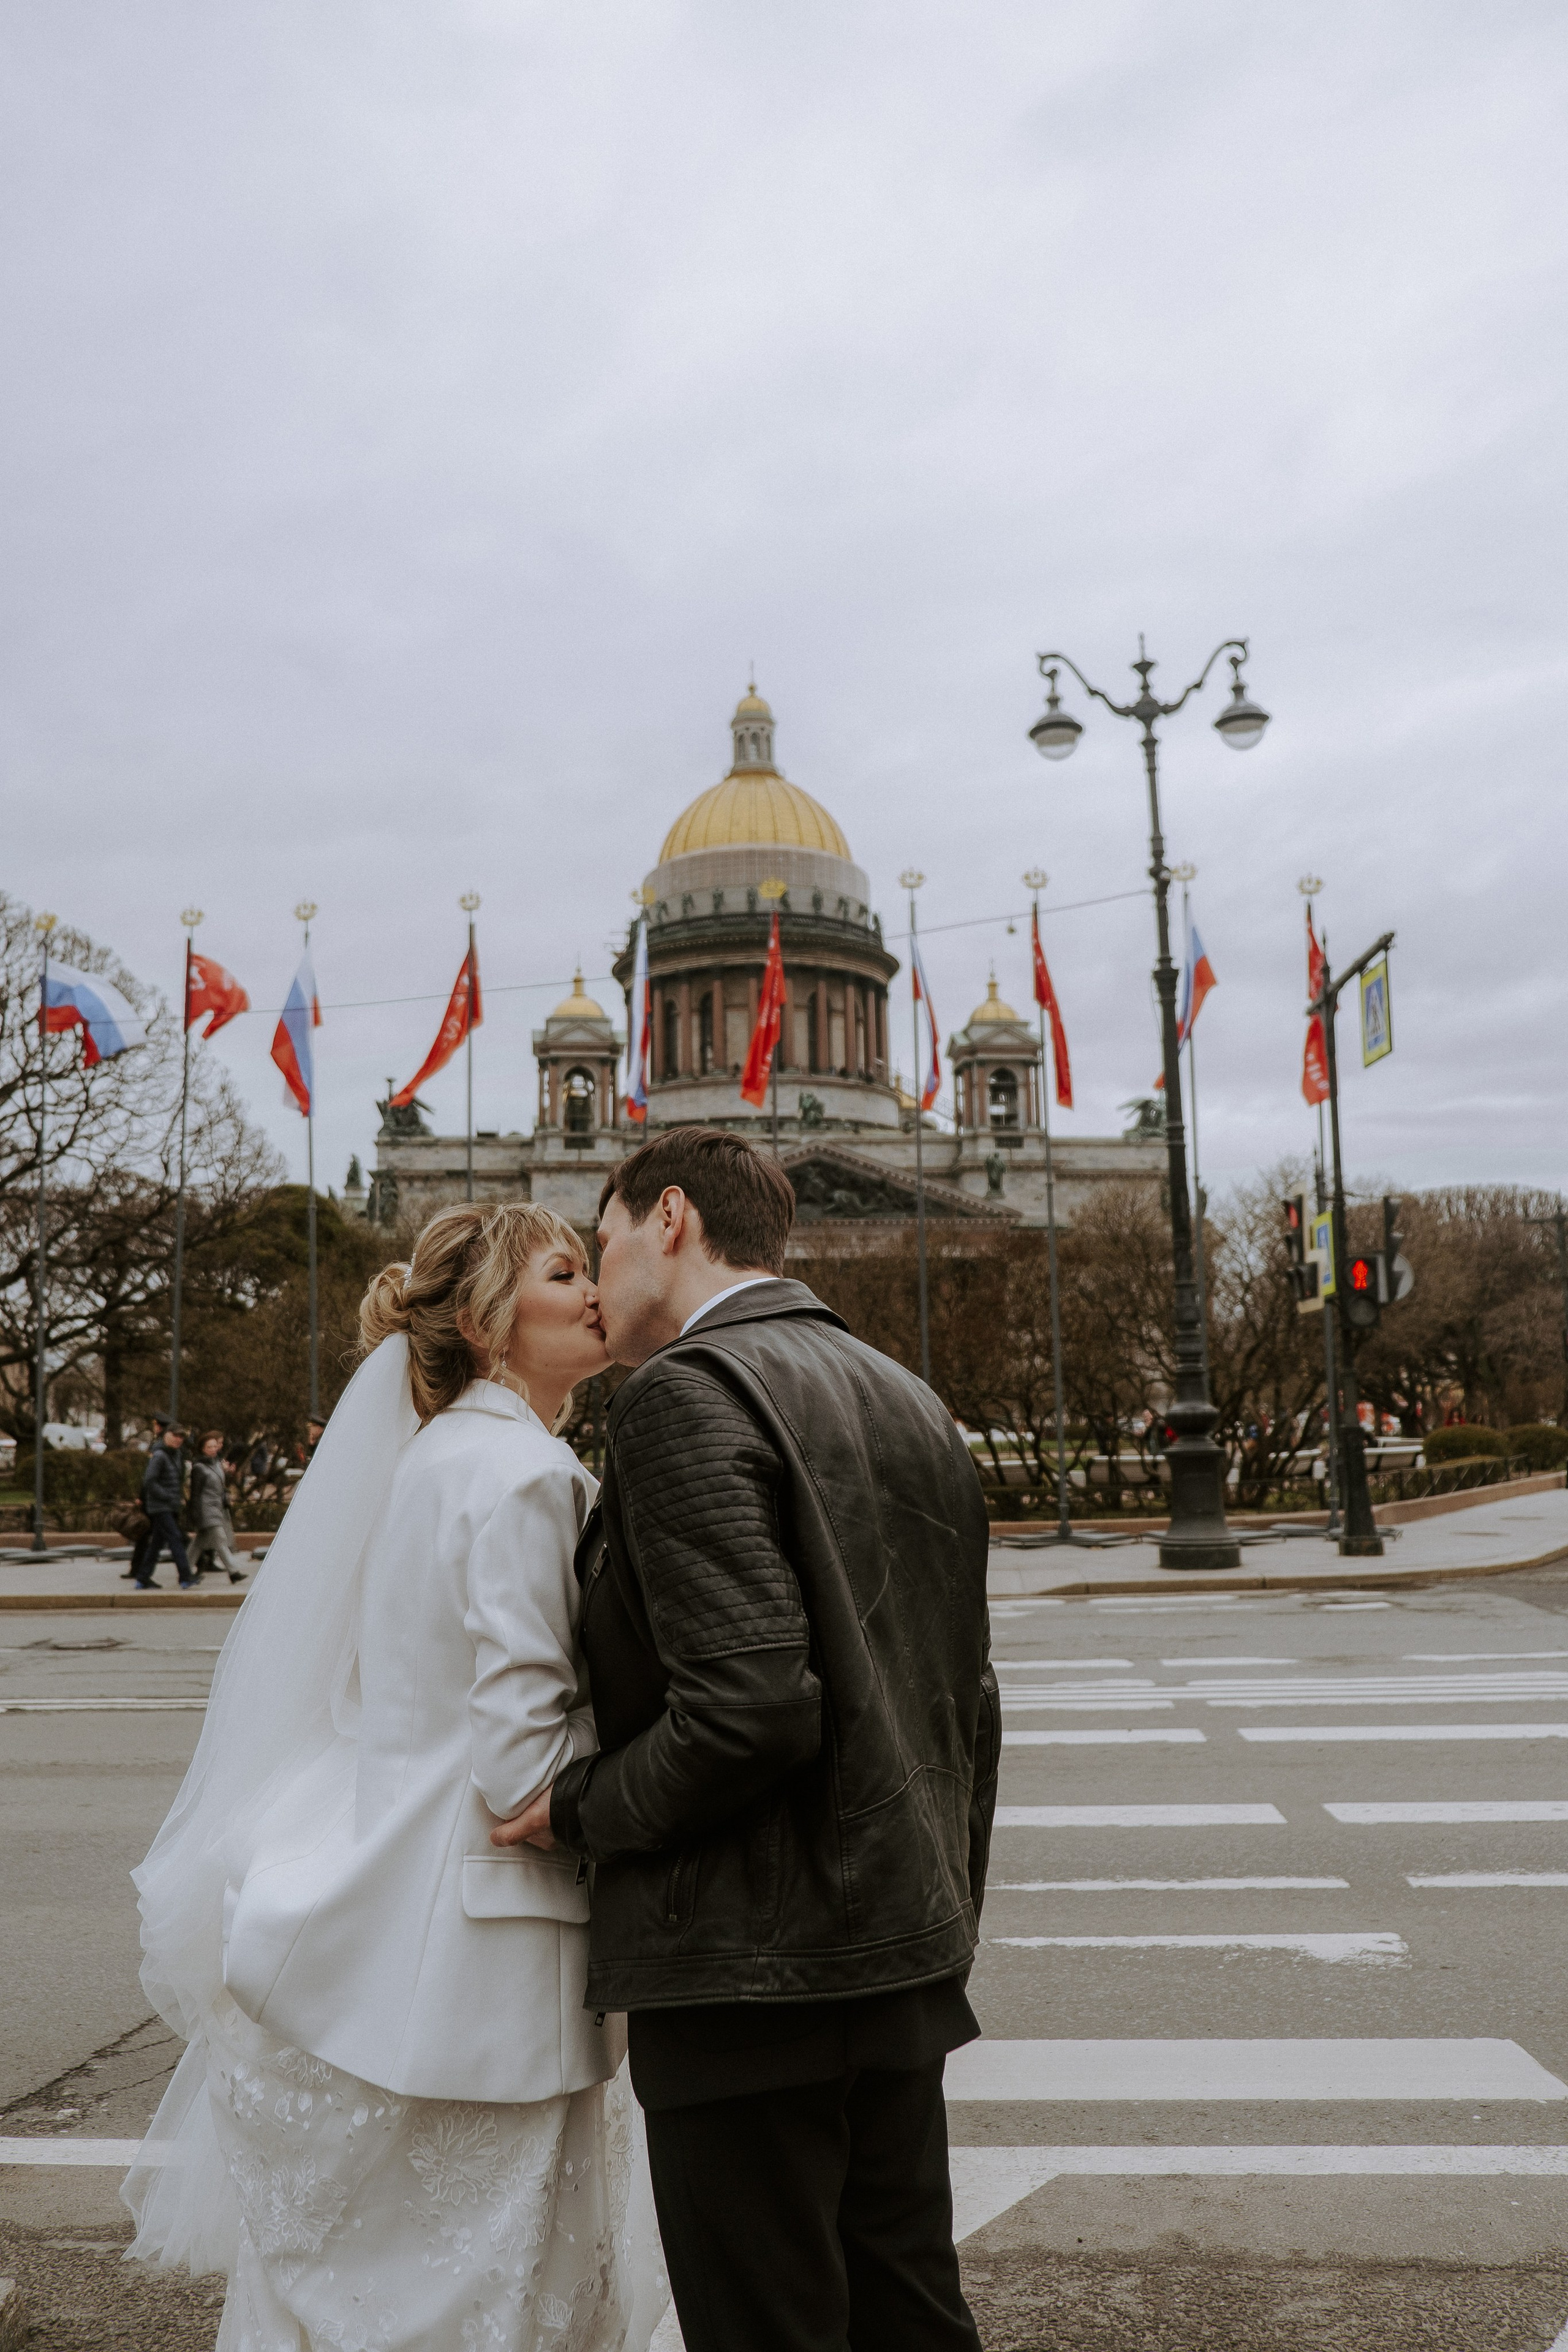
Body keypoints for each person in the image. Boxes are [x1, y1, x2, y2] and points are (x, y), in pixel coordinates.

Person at [124, 1202, 667, 2351]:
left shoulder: (436, 1457)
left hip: (383, 1898)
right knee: (487, 2280)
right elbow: (523, 1754)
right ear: (487, 1324)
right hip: (487, 1936)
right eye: (564, 1273)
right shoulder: (526, 1477)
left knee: (377, 2265)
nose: (593, 1291)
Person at [496, 1126, 999, 2352]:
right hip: (898, 1955)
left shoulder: (687, 1394)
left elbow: (748, 1709)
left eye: (603, 1240)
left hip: (747, 1974)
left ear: (669, 1219)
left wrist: (578, 1808)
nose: (599, 1280)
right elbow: (962, 1705)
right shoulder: (906, 1392)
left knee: (768, 2327)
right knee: (908, 2316)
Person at [135, 1423, 195, 1590]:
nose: (178, 1440)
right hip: (160, 1506)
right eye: (175, 1436)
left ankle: (142, 1578)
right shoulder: (160, 1455)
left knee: (157, 1543)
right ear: (166, 1435)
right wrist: (168, 1496)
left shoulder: (175, 1455)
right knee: (175, 1538)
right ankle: (186, 1577)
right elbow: (149, 1481)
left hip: (170, 1505)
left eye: (181, 1437)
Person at [188, 1432, 246, 1585]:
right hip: (206, 1509)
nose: (213, 1449)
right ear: (202, 1448)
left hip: (217, 1508)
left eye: (215, 1446)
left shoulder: (216, 1464)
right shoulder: (199, 1468)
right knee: (221, 1539)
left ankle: (185, 1570)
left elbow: (221, 1484)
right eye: (209, 1447)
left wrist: (228, 1473)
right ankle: (234, 1572)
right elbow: (195, 1494)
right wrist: (195, 1514)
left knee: (198, 1543)